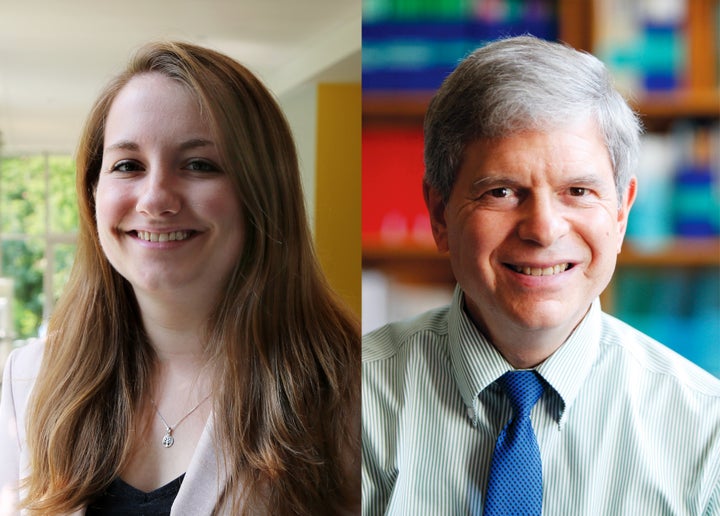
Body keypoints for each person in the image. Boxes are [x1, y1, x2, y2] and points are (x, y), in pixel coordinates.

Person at [362, 35, 720, 515]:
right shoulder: (341, 399)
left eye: (577, 190)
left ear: (621, 213)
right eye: (502, 192)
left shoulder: (705, 433)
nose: (544, 230)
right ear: (440, 213)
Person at [0, 41, 360, 515]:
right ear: (92, 194)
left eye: (198, 165)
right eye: (128, 165)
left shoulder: (356, 392)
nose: (155, 199)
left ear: (263, 192)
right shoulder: (27, 382)